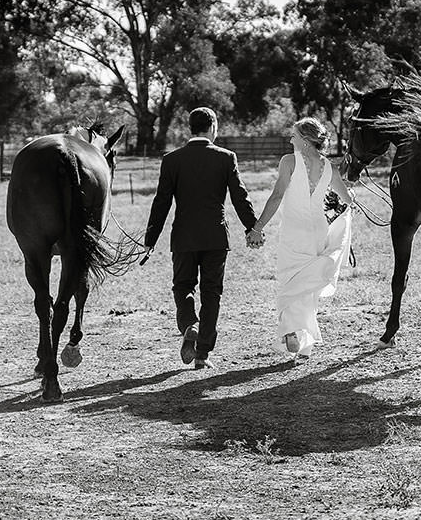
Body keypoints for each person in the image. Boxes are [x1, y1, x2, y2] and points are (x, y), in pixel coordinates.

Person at [144, 107, 263, 369]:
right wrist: (252, 227)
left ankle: (190, 324)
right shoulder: (226, 157)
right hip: (215, 237)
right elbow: (239, 196)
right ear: (212, 127)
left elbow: (161, 202)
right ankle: (202, 354)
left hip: (183, 236)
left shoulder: (172, 159)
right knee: (212, 292)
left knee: (183, 286)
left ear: (191, 127)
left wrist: (150, 239)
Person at [249, 117, 354, 360]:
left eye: (294, 136)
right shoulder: (330, 167)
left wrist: (258, 227)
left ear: (305, 140)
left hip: (294, 231)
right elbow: (347, 199)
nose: (290, 140)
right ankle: (305, 344)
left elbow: (277, 196)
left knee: (289, 280)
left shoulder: (289, 161)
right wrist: (350, 194)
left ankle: (290, 331)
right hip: (318, 231)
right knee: (308, 287)